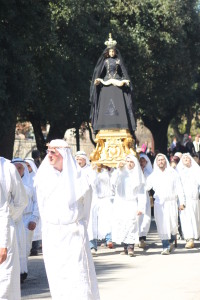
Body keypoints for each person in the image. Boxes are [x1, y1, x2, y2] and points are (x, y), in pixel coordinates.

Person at [35, 139, 100, 300]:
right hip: (53, 235)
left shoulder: (79, 180)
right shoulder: (43, 177)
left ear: (63, 154)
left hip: (73, 234)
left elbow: (85, 209)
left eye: (53, 152)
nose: (49, 155)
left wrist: (79, 227)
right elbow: (42, 207)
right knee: (58, 277)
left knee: (78, 276)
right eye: (48, 151)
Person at [89, 34, 136, 135]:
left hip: (118, 84)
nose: (111, 53)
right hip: (106, 84)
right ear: (107, 52)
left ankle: (122, 126)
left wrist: (125, 81)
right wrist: (98, 80)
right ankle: (103, 126)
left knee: (120, 103)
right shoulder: (105, 62)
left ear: (115, 52)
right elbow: (100, 74)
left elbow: (124, 73)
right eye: (110, 51)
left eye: (113, 51)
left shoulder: (119, 61)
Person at [146, 154, 185, 255]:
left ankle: (171, 241)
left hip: (171, 203)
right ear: (156, 162)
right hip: (159, 204)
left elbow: (179, 188)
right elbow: (145, 187)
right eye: (159, 160)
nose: (161, 162)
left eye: (162, 160)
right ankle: (165, 246)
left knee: (172, 225)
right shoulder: (153, 175)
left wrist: (182, 202)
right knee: (162, 225)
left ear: (165, 161)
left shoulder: (173, 173)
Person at [0, 157, 27, 300]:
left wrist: (9, 217)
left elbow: (21, 201)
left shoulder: (8, 168)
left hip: (4, 230)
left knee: (5, 281)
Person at [111, 154, 146, 257]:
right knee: (122, 224)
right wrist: (118, 169)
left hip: (131, 203)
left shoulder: (138, 175)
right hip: (120, 203)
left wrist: (141, 207)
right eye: (128, 161)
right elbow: (112, 183)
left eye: (132, 162)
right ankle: (125, 247)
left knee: (132, 224)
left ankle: (131, 247)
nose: (129, 164)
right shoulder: (120, 173)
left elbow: (141, 193)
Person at [11, 158, 39, 282]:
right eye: (15, 168)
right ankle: (14, 273)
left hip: (27, 219)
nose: (18, 170)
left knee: (25, 247)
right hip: (12, 220)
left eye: (20, 168)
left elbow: (37, 202)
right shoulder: (8, 183)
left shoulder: (32, 183)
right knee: (13, 246)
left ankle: (23, 271)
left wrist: (34, 218)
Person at [75, 151, 98, 255]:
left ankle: (92, 245)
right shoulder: (73, 170)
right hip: (77, 199)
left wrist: (93, 172)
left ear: (85, 160)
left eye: (80, 159)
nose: (78, 161)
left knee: (89, 220)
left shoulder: (90, 170)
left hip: (88, 198)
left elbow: (94, 183)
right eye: (77, 159)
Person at [176, 153, 200, 248]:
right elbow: (178, 187)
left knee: (195, 219)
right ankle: (189, 239)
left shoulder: (196, 170)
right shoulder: (179, 172)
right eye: (184, 158)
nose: (186, 159)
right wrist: (181, 201)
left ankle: (194, 237)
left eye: (188, 158)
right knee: (186, 219)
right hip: (184, 200)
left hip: (195, 199)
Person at [24, 158, 42, 256]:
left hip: (34, 209)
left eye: (28, 166)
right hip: (23, 211)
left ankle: (34, 248)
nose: (26, 168)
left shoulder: (36, 178)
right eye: (25, 166)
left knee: (36, 229)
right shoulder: (20, 178)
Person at [138, 153, 152, 248]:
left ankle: (143, 237)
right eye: (140, 160)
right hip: (136, 196)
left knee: (146, 216)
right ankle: (137, 237)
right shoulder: (135, 171)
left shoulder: (148, 173)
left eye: (144, 161)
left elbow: (149, 185)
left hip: (144, 195)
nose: (142, 162)